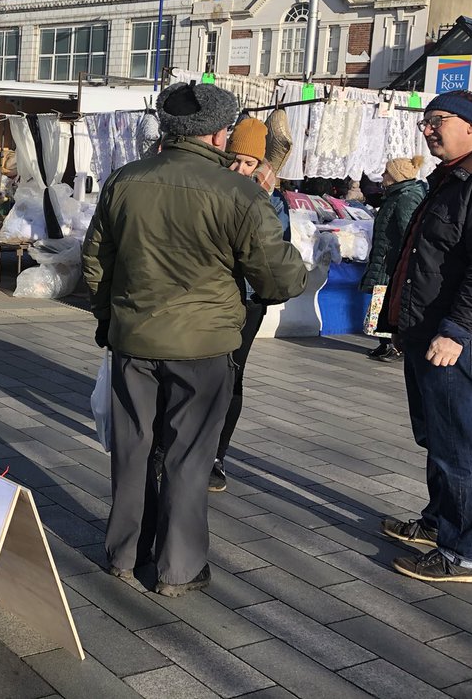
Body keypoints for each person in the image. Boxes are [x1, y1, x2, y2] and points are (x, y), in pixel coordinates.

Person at [82, 82, 306, 597]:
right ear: (218, 132)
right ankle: (177, 568)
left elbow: (96, 263)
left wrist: (109, 320)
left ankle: (125, 553)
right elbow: (278, 278)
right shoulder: (240, 192)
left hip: (134, 341)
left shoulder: (125, 181)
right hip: (203, 347)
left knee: (133, 449)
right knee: (188, 457)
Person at [379, 90, 472, 584]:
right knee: (435, 436)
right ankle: (438, 521)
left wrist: (457, 331)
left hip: (455, 336)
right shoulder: (452, 177)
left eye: (436, 120)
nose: (427, 129)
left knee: (456, 446)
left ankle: (463, 554)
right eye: (425, 122)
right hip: (426, 329)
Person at [209, 117, 294, 493]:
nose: (240, 168)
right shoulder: (212, 190)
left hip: (247, 301)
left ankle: (216, 456)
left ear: (261, 164)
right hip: (210, 296)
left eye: (249, 162)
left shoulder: (273, 200)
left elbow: (280, 252)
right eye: (235, 159)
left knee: (232, 377)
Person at [359, 156, 426, 362]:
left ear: (397, 176)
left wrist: (400, 258)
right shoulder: (394, 195)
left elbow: (408, 230)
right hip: (387, 257)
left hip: (393, 260)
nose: (383, 176)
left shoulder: (405, 197)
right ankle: (385, 343)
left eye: (387, 173)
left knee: (388, 300)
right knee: (382, 300)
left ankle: (394, 345)